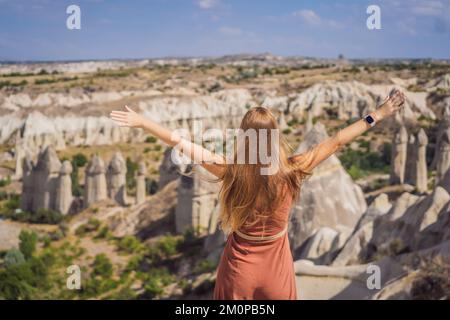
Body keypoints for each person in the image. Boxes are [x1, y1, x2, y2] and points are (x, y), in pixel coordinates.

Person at [110, 89, 405, 300]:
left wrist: (144, 122)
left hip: (238, 270)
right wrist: (378, 114)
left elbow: (182, 143)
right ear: (275, 137)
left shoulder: (231, 170)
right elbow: (337, 141)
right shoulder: (293, 169)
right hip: (277, 270)